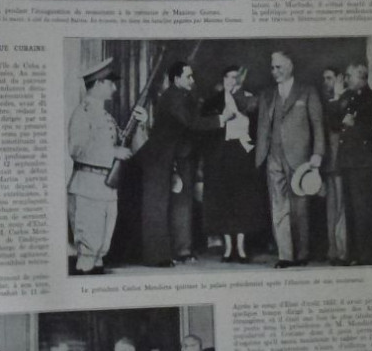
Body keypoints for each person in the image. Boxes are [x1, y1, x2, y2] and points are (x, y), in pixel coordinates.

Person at [138, 60, 224, 266]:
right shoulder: (173, 97)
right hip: (161, 157)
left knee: (182, 204)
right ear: (176, 79)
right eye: (188, 76)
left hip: (181, 156)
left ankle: (182, 251)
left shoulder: (185, 96)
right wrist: (222, 120)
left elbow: (195, 117)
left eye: (192, 76)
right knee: (158, 205)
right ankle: (157, 256)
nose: (192, 80)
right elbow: (192, 122)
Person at [67, 58, 145, 275]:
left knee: (101, 250)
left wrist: (140, 124)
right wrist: (112, 153)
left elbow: (130, 147)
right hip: (87, 188)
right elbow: (76, 149)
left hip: (106, 189)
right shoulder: (82, 113)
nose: (115, 88)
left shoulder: (107, 117)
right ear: (99, 83)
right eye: (111, 83)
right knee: (88, 253)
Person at [254, 49, 324, 268]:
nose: (275, 72)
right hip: (272, 156)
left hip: (300, 158)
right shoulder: (267, 94)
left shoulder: (307, 91)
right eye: (272, 67)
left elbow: (318, 125)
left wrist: (318, 153)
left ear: (290, 66)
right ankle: (286, 256)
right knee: (278, 206)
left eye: (279, 67)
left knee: (300, 207)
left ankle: (302, 254)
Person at [199, 64, 267, 262]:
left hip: (243, 154)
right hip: (220, 155)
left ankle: (242, 248)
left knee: (243, 200)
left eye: (236, 77)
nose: (232, 80)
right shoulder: (213, 102)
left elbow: (256, 125)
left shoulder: (249, 99)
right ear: (222, 79)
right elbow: (205, 129)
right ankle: (228, 248)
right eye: (228, 77)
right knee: (223, 201)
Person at [337, 62, 372, 265]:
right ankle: (354, 255)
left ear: (361, 77)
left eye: (349, 76)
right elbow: (335, 121)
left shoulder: (371, 99)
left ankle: (366, 256)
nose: (346, 80)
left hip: (363, 164)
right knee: (352, 211)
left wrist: (356, 126)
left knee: (364, 211)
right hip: (349, 163)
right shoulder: (349, 98)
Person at [320, 65, 352, 265]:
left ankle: (343, 252)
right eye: (324, 78)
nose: (326, 83)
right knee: (332, 208)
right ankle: (333, 250)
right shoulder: (331, 101)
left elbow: (335, 124)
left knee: (341, 209)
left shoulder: (346, 100)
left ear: (340, 79)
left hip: (341, 162)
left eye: (330, 78)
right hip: (329, 163)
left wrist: (337, 98)